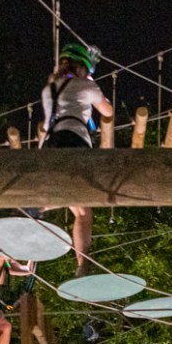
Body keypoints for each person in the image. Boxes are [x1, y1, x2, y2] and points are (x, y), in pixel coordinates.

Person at [40, 42, 114, 276]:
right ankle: (82, 265)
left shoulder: (48, 90)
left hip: (50, 144)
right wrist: (91, 82)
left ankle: (37, 207)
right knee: (82, 212)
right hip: (75, 141)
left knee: (72, 203)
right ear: (83, 67)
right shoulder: (85, 85)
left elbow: (47, 120)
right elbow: (108, 111)